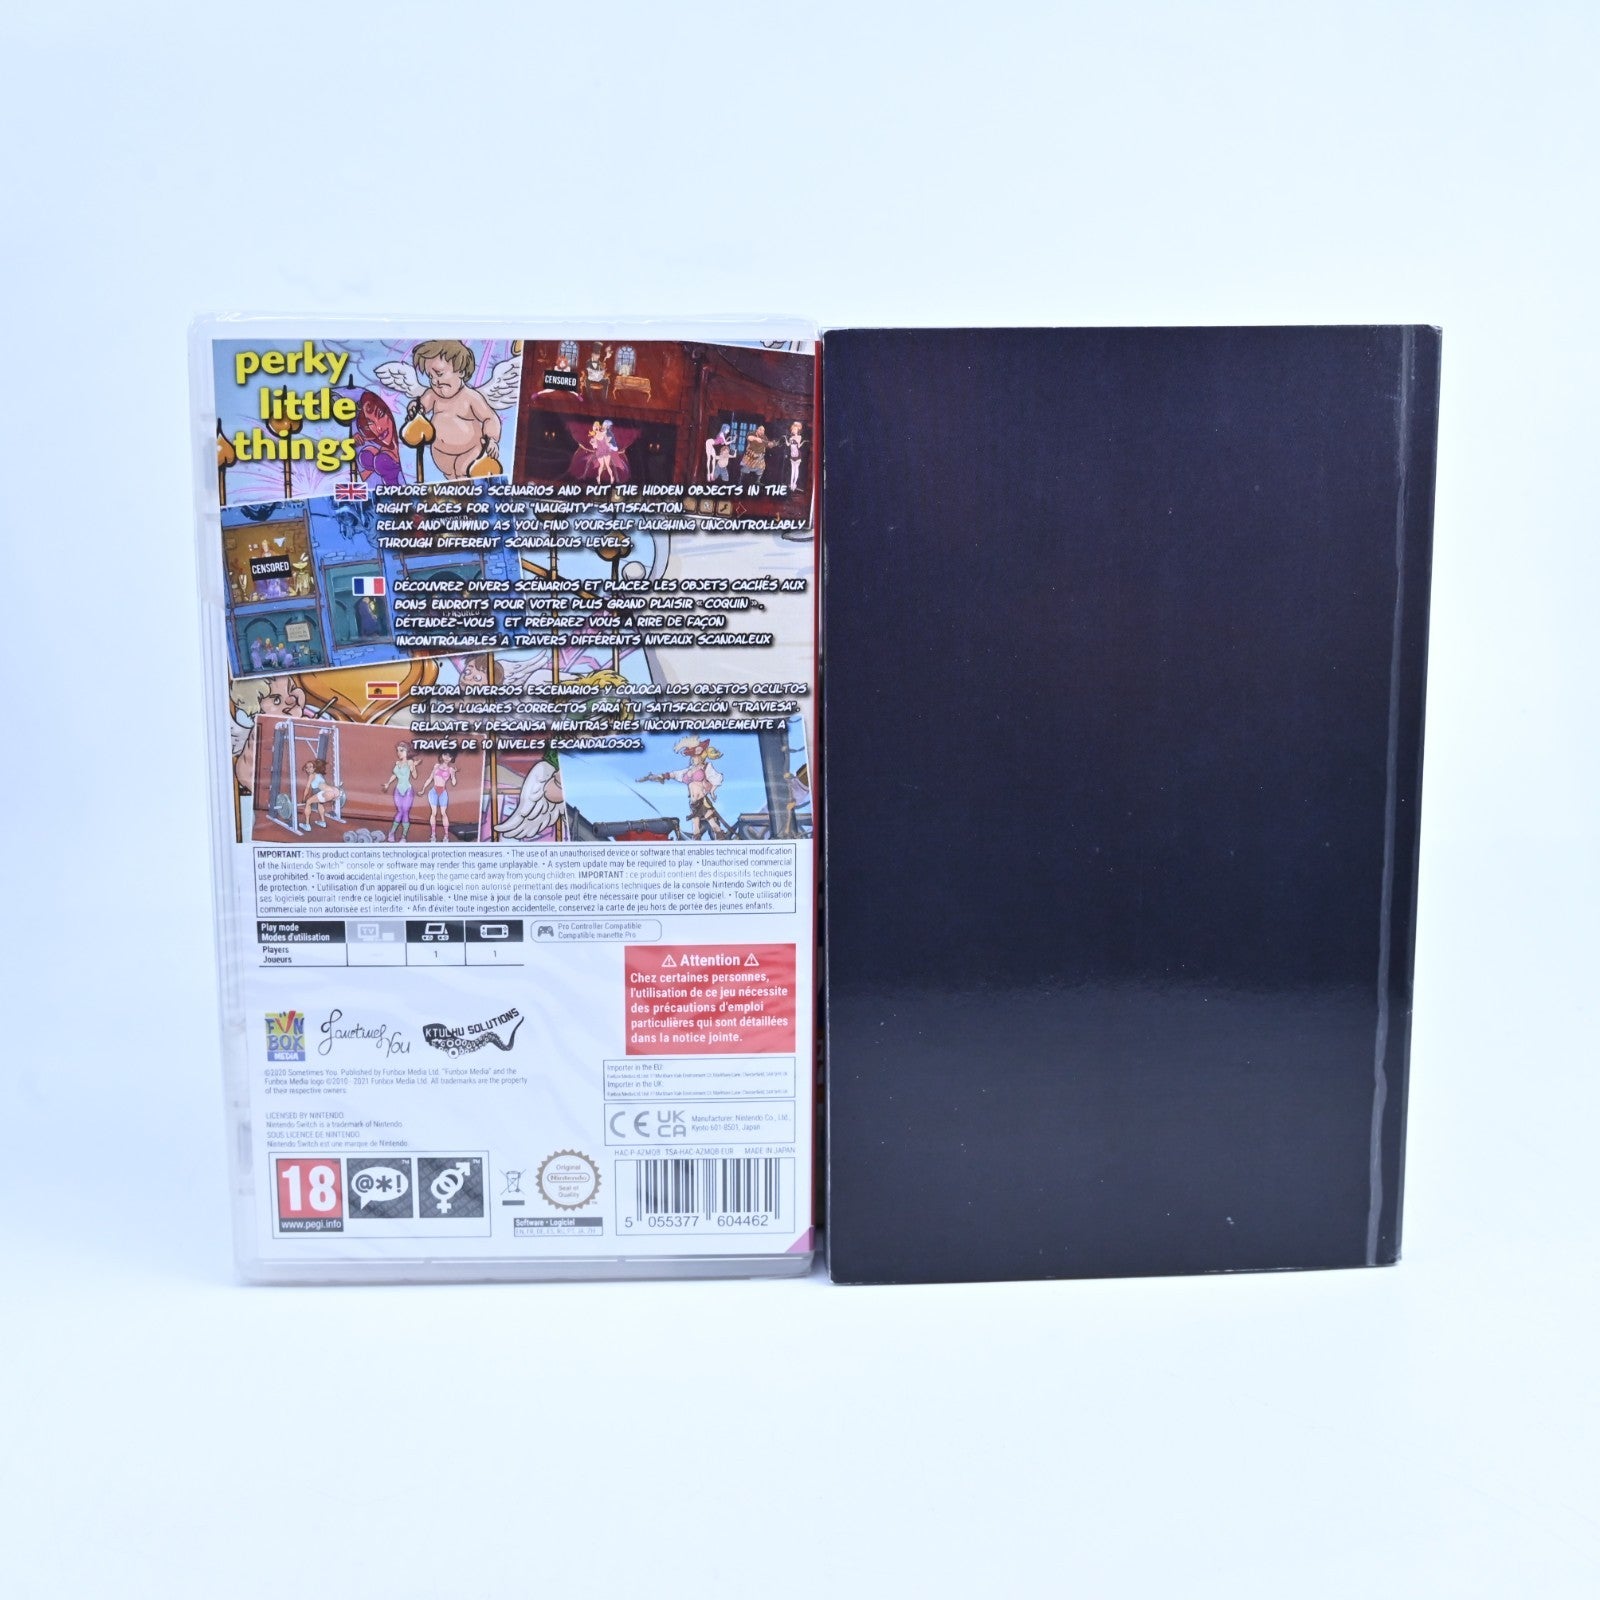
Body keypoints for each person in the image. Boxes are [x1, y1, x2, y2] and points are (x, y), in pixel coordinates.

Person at [640, 736, 731, 840]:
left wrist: (712, 790)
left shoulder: (706, 767)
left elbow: (717, 778)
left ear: (701, 756)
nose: (693, 759)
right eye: (692, 757)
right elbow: (675, 774)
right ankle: (696, 842)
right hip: (693, 803)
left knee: (712, 823)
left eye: (696, 757)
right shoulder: (689, 770)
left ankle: (721, 839)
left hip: (703, 801)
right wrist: (660, 776)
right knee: (695, 825)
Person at [383, 743, 417, 841]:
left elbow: (415, 776)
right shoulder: (397, 763)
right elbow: (394, 775)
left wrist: (413, 768)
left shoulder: (410, 762)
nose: (399, 753)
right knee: (400, 811)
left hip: (407, 790)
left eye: (401, 750)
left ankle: (403, 836)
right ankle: (392, 833)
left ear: (407, 751)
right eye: (398, 750)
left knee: (405, 811)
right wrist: (388, 783)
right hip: (398, 790)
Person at [301, 758, 344, 830]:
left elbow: (307, 788)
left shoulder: (312, 776)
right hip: (335, 791)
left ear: (314, 768)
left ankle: (307, 825)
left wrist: (304, 798)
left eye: (310, 767)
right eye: (306, 767)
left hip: (327, 793)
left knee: (308, 802)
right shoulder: (319, 775)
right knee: (320, 803)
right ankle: (323, 822)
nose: (308, 769)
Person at [426, 750, 458, 842]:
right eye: (445, 755)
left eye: (449, 756)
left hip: (443, 791)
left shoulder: (450, 769)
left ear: (452, 758)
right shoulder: (436, 766)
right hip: (434, 791)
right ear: (442, 755)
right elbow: (430, 778)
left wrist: (454, 774)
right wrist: (423, 788)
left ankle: (446, 836)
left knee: (443, 813)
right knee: (434, 813)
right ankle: (433, 835)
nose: (447, 758)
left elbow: (454, 783)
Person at [786, 421, 805, 491]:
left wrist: (802, 442)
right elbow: (788, 445)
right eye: (793, 429)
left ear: (798, 430)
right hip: (792, 455)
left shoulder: (799, 437)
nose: (794, 430)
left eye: (795, 429)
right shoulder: (791, 438)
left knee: (796, 469)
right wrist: (786, 439)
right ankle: (791, 484)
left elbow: (798, 445)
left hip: (797, 454)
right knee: (792, 470)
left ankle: (794, 483)